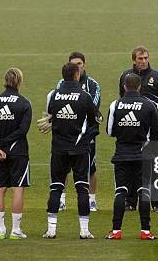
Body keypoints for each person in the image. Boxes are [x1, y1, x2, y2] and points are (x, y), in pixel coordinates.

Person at [40, 62, 99, 239]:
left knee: (56, 188)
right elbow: (95, 124)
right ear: (76, 75)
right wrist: (85, 139)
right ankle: (84, 230)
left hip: (58, 148)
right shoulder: (85, 96)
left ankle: (51, 230)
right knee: (82, 189)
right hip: (80, 149)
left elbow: (50, 117)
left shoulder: (53, 95)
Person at [105, 73, 158, 240]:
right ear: (139, 87)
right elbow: (156, 131)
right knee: (144, 191)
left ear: (124, 87)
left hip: (121, 154)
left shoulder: (116, 104)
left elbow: (109, 131)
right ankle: (145, 231)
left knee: (120, 191)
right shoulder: (149, 105)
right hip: (142, 154)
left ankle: (116, 231)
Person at [119, 46, 158, 212]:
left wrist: (156, 121)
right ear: (134, 60)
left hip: (155, 132)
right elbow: (122, 101)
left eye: (146, 58)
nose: (143, 61)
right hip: (133, 130)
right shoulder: (125, 76)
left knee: (155, 165)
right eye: (140, 59)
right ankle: (131, 201)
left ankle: (157, 202)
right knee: (133, 165)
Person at [0, 68, 32, 239]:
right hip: (18, 152)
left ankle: (0, 230)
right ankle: (15, 230)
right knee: (18, 189)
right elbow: (22, 130)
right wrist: (6, 144)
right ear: (19, 81)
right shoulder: (24, 103)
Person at [57, 52, 102, 212]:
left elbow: (93, 108)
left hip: (86, 135)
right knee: (63, 169)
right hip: (65, 134)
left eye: (79, 64)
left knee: (91, 167)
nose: (77, 67)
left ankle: (91, 200)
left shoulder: (93, 85)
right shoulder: (60, 84)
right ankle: (61, 199)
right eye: (74, 64)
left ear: (84, 65)